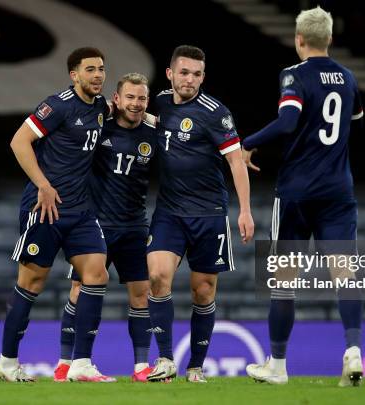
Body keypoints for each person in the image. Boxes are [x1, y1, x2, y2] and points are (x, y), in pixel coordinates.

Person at [242, 6, 364, 386]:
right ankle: (354, 349)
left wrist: (247, 143)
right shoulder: (347, 78)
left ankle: (277, 365)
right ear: (329, 39)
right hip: (338, 190)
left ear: (299, 40)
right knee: (346, 274)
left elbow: (288, 121)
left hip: (296, 191)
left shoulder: (293, 75)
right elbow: (354, 119)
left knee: (284, 281)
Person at [0, 47, 115, 383]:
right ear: (74, 75)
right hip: (44, 208)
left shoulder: (102, 108)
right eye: (90, 69)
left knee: (97, 274)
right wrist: (43, 185)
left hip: (80, 210)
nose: (97, 75)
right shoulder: (57, 104)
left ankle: (81, 364)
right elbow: (19, 142)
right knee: (31, 283)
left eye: (102, 69)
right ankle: (6, 362)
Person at [145, 45, 254, 383]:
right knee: (157, 277)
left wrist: (245, 211)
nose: (189, 80)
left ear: (202, 77)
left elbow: (236, 161)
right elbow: (146, 121)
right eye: (184, 72)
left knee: (203, 292)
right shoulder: (160, 102)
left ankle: (195, 367)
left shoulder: (215, 112)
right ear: (170, 74)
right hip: (170, 211)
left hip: (209, 214)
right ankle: (164, 359)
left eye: (196, 74)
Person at [53, 73, 157, 383]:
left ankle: (141, 367)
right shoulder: (100, 126)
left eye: (141, 98)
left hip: (135, 226)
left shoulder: (154, 131)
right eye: (130, 97)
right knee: (78, 291)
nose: (135, 104)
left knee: (141, 294)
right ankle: (64, 363)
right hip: (96, 224)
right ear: (117, 99)